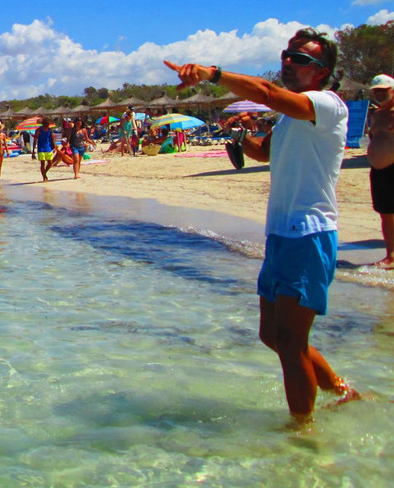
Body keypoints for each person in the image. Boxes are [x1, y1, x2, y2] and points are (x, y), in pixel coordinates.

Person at [165, 29, 360, 421]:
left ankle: (302, 436)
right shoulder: (291, 118)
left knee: (291, 340)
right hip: (281, 234)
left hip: (310, 233)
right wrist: (237, 137)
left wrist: (211, 74)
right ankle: (343, 391)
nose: (289, 62)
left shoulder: (328, 105)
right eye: (287, 55)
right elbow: (262, 151)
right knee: (273, 335)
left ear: (322, 73)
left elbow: (268, 94)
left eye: (301, 59)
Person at [365, 73, 394, 268]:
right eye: (376, 91)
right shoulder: (376, 114)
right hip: (379, 170)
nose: (379, 94)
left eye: (383, 91)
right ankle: (390, 255)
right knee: (385, 214)